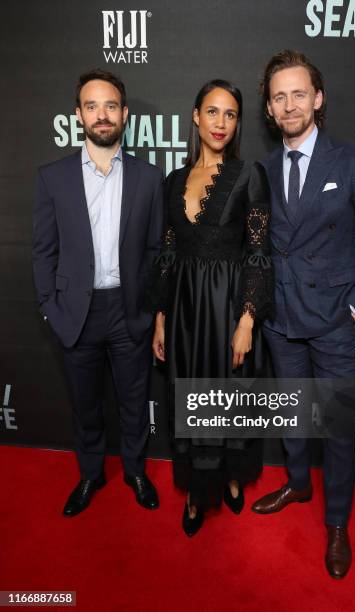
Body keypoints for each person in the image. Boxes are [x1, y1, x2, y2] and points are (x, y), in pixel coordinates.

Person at [251, 51, 355, 578]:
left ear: (318, 98)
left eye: (298, 94)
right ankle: (296, 482)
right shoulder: (262, 171)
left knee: (337, 428)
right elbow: (259, 249)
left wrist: (353, 308)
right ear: (269, 108)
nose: (289, 105)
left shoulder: (353, 163)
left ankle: (336, 522)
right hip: (281, 322)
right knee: (290, 416)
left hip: (334, 322)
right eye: (278, 96)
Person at [32, 69, 163, 517]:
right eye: (92, 106)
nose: (102, 115)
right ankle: (90, 474)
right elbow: (43, 250)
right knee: (86, 405)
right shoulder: (53, 177)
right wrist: (52, 308)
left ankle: (135, 471)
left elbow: (154, 251)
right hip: (76, 312)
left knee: (132, 401)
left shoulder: (149, 178)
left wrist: (149, 307)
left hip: (129, 311)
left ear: (124, 114)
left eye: (110, 106)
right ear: (78, 115)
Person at [150, 79, 273, 536]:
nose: (221, 123)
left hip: (228, 309)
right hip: (183, 311)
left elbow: (259, 252)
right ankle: (198, 495)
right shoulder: (174, 180)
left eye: (231, 114)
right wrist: (161, 317)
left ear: (237, 123)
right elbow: (167, 251)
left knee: (230, 393)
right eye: (213, 112)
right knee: (191, 393)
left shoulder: (249, 175)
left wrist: (247, 318)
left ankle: (233, 480)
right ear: (196, 116)